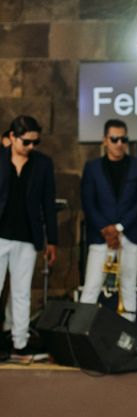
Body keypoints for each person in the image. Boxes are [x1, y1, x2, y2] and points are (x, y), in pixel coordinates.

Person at [79, 119, 137, 321]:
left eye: (124, 139)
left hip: (130, 234)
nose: (120, 143)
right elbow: (88, 202)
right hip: (101, 237)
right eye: (115, 139)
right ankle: (81, 337)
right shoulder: (92, 168)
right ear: (105, 140)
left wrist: (119, 227)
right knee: (92, 286)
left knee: (128, 287)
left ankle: (126, 344)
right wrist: (105, 228)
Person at [0, 115, 57, 360]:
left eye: (36, 142)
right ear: (12, 137)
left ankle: (20, 344)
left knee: (22, 292)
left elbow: (48, 203)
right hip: (0, 234)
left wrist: (51, 240)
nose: (31, 147)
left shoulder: (43, 164)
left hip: (27, 236)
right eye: (26, 142)